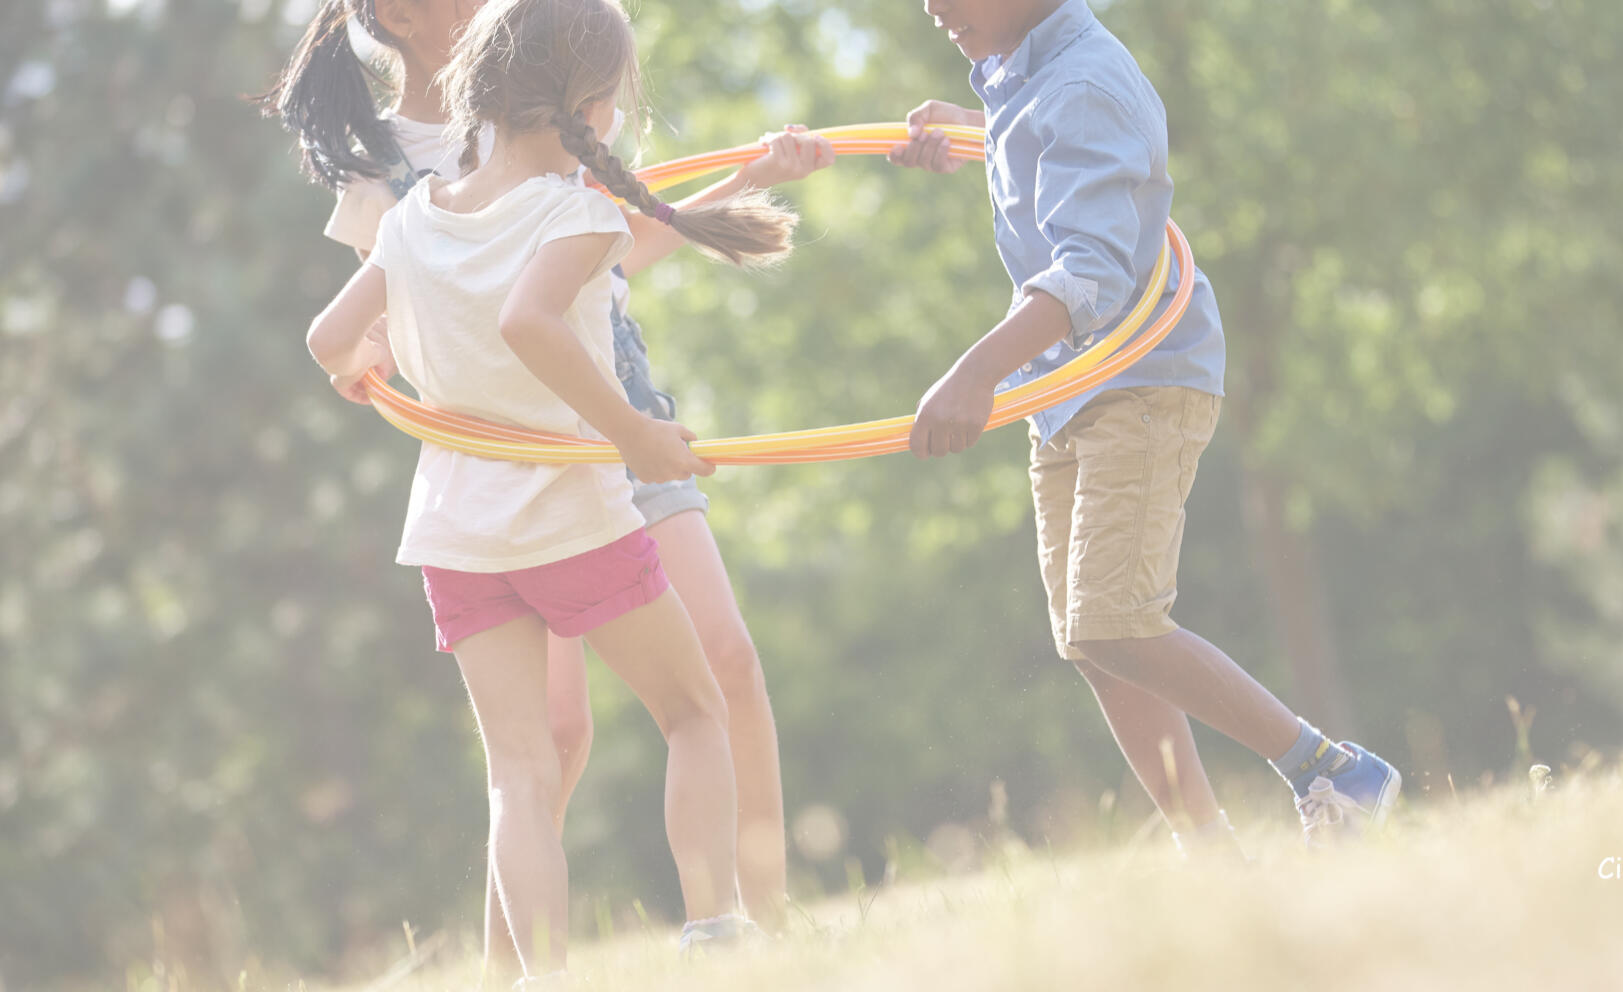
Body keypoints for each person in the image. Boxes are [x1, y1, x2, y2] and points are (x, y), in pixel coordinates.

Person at [257, 0, 826, 952]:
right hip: (566, 473)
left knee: (518, 766)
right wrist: (634, 435)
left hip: (465, 520)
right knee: (672, 714)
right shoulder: (475, 180)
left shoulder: (438, 199)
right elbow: (525, 316)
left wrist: (354, 357)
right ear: (592, 108)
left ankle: (547, 972)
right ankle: (718, 930)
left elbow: (335, 337)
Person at [889, 0, 1399, 847]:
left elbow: (1089, 270)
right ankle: (1209, 850)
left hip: (1140, 381)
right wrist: (979, 127)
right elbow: (1052, 143)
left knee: (1115, 621)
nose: (931, 5)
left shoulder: (1086, 82)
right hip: (1065, 389)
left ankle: (1334, 771)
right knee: (1094, 640)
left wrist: (974, 370)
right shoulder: (1030, 70)